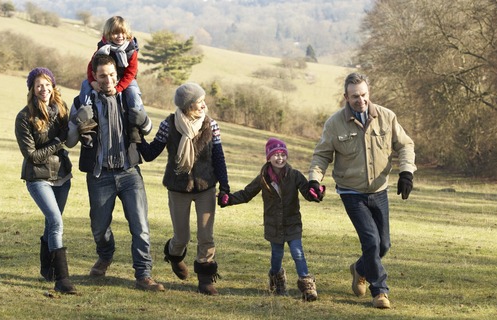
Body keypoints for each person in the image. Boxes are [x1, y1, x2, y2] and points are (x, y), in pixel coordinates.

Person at [308, 72, 416, 309]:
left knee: (384, 244)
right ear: (346, 97)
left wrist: (407, 172)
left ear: (369, 93)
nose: (361, 100)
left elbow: (405, 144)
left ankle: (359, 269)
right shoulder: (334, 123)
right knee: (371, 240)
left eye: (364, 94)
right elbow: (321, 155)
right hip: (351, 192)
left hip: (379, 190)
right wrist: (315, 180)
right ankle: (380, 292)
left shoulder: (387, 117)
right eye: (355, 96)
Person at [65, 54, 162, 292]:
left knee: (140, 226)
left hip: (129, 172)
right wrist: (79, 121)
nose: (107, 80)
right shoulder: (81, 102)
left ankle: (143, 275)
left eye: (111, 75)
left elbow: (147, 128)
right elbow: (69, 141)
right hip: (100, 175)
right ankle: (105, 255)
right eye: (102, 76)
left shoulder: (128, 97)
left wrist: (143, 118)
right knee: (99, 227)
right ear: (94, 78)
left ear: (116, 75)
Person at [137, 82, 230, 295]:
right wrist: (136, 137)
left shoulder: (211, 125)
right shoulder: (169, 125)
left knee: (206, 236)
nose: (204, 106)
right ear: (187, 106)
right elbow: (151, 153)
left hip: (206, 186)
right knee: (181, 237)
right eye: (199, 102)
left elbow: (218, 157)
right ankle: (174, 255)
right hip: (178, 187)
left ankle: (205, 279)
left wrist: (224, 186)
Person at [219, 138, 323, 301]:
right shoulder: (262, 178)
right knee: (277, 256)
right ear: (269, 157)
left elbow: (307, 191)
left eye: (283, 154)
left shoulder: (295, 175)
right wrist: (229, 199)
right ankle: (277, 279)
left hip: (292, 224)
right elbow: (246, 194)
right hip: (273, 225)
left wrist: (315, 193)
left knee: (298, 253)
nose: (280, 158)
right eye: (276, 155)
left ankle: (307, 286)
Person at [15, 67, 76, 294]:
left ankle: (47, 269)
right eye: (39, 85)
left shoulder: (61, 109)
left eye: (47, 84)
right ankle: (62, 279)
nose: (44, 89)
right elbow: (31, 156)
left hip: (62, 176)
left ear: (53, 86)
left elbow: (71, 139)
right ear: (32, 89)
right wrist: (58, 141)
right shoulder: (24, 117)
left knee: (52, 223)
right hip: (37, 177)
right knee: (56, 222)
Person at [78, 15, 151, 144]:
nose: (120, 36)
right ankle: (86, 118)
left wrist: (119, 88)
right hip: (107, 78)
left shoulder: (131, 50)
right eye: (115, 33)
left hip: (126, 79)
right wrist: (93, 81)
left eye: (122, 33)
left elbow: (131, 72)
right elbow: (91, 66)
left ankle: (135, 125)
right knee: (85, 85)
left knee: (133, 93)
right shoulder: (103, 48)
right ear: (108, 34)